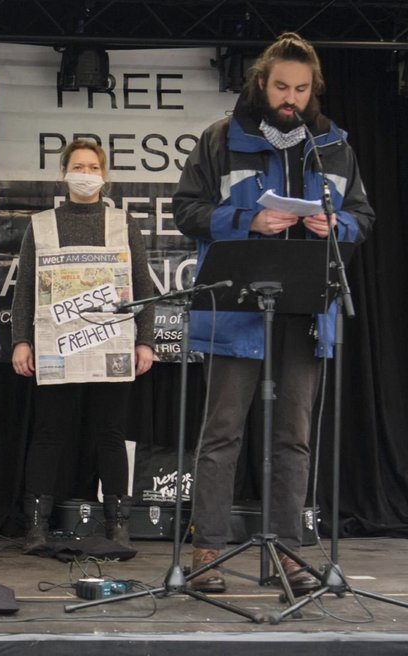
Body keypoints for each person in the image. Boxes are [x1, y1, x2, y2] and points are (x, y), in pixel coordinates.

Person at [172, 32, 375, 595]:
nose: (292, 98)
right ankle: (207, 552)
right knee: (222, 434)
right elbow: (186, 210)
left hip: (306, 308)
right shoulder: (220, 139)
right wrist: (248, 222)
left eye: (302, 89)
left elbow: (363, 216)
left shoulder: (333, 145)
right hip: (237, 307)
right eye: (282, 86)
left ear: (314, 91)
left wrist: (339, 226)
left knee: (294, 438)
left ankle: (288, 551)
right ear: (261, 83)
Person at [10, 140, 155, 553]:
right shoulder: (41, 225)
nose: (86, 173)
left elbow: (142, 285)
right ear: (64, 173)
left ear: (104, 176)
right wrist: (22, 341)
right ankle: (35, 526)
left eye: (93, 167)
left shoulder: (122, 224)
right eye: (78, 166)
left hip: (111, 344)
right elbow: (24, 292)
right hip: (57, 345)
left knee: (110, 434)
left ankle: (118, 524)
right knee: (49, 433)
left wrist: (144, 341)